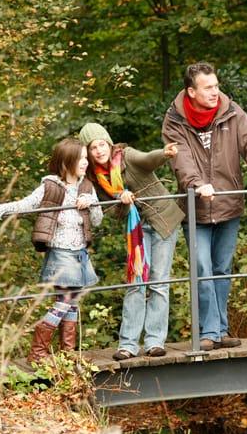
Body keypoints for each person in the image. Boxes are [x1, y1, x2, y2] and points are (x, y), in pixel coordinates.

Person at [162, 61, 247, 351]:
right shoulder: (174, 120)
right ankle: (209, 332)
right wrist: (197, 184)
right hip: (195, 208)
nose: (215, 92)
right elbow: (180, 161)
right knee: (202, 268)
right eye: (208, 88)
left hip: (228, 205)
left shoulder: (232, 113)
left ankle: (220, 331)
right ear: (191, 91)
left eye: (216, 86)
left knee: (222, 269)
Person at [0, 138, 103, 365]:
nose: (86, 163)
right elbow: (25, 204)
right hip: (61, 253)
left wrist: (91, 203)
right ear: (67, 160)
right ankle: (38, 352)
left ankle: (68, 354)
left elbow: (96, 221)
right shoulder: (50, 186)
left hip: (80, 253)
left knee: (73, 301)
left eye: (87, 159)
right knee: (66, 300)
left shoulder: (87, 187)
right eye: (81, 159)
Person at [79, 122, 184, 360]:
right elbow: (112, 213)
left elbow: (147, 159)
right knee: (136, 282)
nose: (99, 150)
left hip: (162, 219)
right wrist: (122, 201)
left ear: (109, 143)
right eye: (93, 147)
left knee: (159, 281)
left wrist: (165, 153)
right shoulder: (95, 179)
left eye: (101, 144)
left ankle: (155, 342)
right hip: (134, 228)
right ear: (88, 152)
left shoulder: (126, 156)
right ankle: (127, 344)